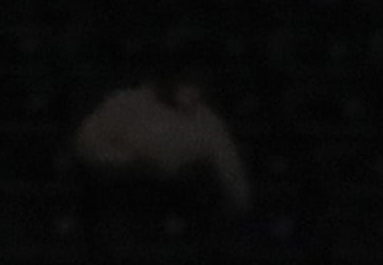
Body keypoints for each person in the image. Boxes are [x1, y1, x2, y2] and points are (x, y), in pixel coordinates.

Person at [69, 77, 250, 212]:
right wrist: (128, 162)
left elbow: (234, 182)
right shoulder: (125, 103)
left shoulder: (209, 124)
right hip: (122, 199)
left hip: (181, 208)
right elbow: (85, 143)